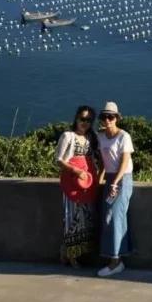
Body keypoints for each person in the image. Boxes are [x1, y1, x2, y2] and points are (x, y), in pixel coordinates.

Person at [55, 105, 100, 267]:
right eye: (82, 118)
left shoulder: (92, 137)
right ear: (76, 118)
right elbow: (59, 159)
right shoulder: (68, 136)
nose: (85, 122)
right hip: (72, 183)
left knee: (86, 220)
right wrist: (76, 170)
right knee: (71, 219)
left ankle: (78, 254)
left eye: (89, 120)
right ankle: (70, 256)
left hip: (87, 183)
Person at [96, 101, 133, 277]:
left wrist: (115, 182)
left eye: (111, 117)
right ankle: (116, 258)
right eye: (105, 117)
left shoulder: (124, 136)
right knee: (108, 217)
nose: (107, 120)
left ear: (117, 118)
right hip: (110, 179)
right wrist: (100, 178)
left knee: (115, 217)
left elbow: (125, 162)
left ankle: (116, 262)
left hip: (122, 179)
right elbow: (104, 160)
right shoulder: (100, 136)